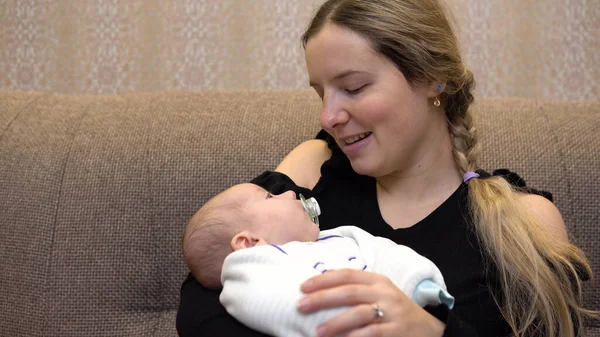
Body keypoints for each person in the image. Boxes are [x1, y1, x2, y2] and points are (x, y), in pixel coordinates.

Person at [177, 0, 595, 336]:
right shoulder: (312, 169)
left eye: (353, 87)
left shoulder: (520, 220)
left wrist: (432, 330)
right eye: (321, 92)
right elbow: (205, 298)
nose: (328, 117)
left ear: (434, 79)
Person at [182, 183, 455, 337]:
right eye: (270, 196)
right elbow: (279, 307)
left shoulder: (337, 237)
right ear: (248, 242)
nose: (288, 192)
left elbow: (383, 253)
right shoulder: (250, 270)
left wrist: (420, 286)